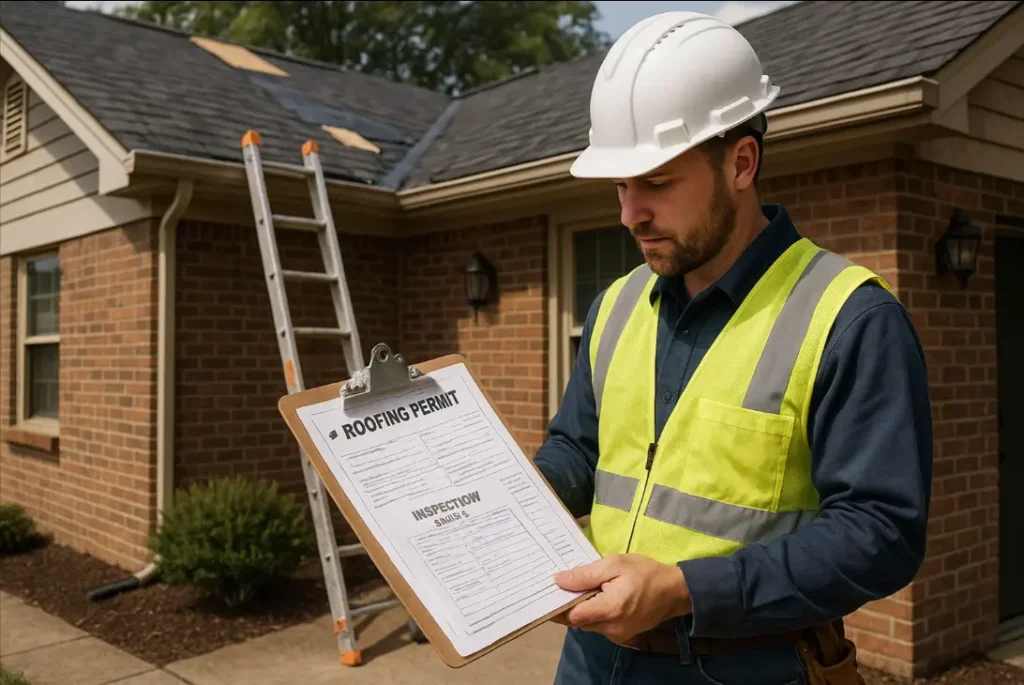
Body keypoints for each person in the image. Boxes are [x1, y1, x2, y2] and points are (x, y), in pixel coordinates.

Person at [532, 11, 933, 685]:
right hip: (590, 660)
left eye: (656, 182)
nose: (629, 214)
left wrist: (684, 589)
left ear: (741, 162)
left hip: (745, 665)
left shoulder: (850, 317)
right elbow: (579, 447)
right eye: (621, 186)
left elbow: (881, 533)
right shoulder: (616, 305)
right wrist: (511, 497)